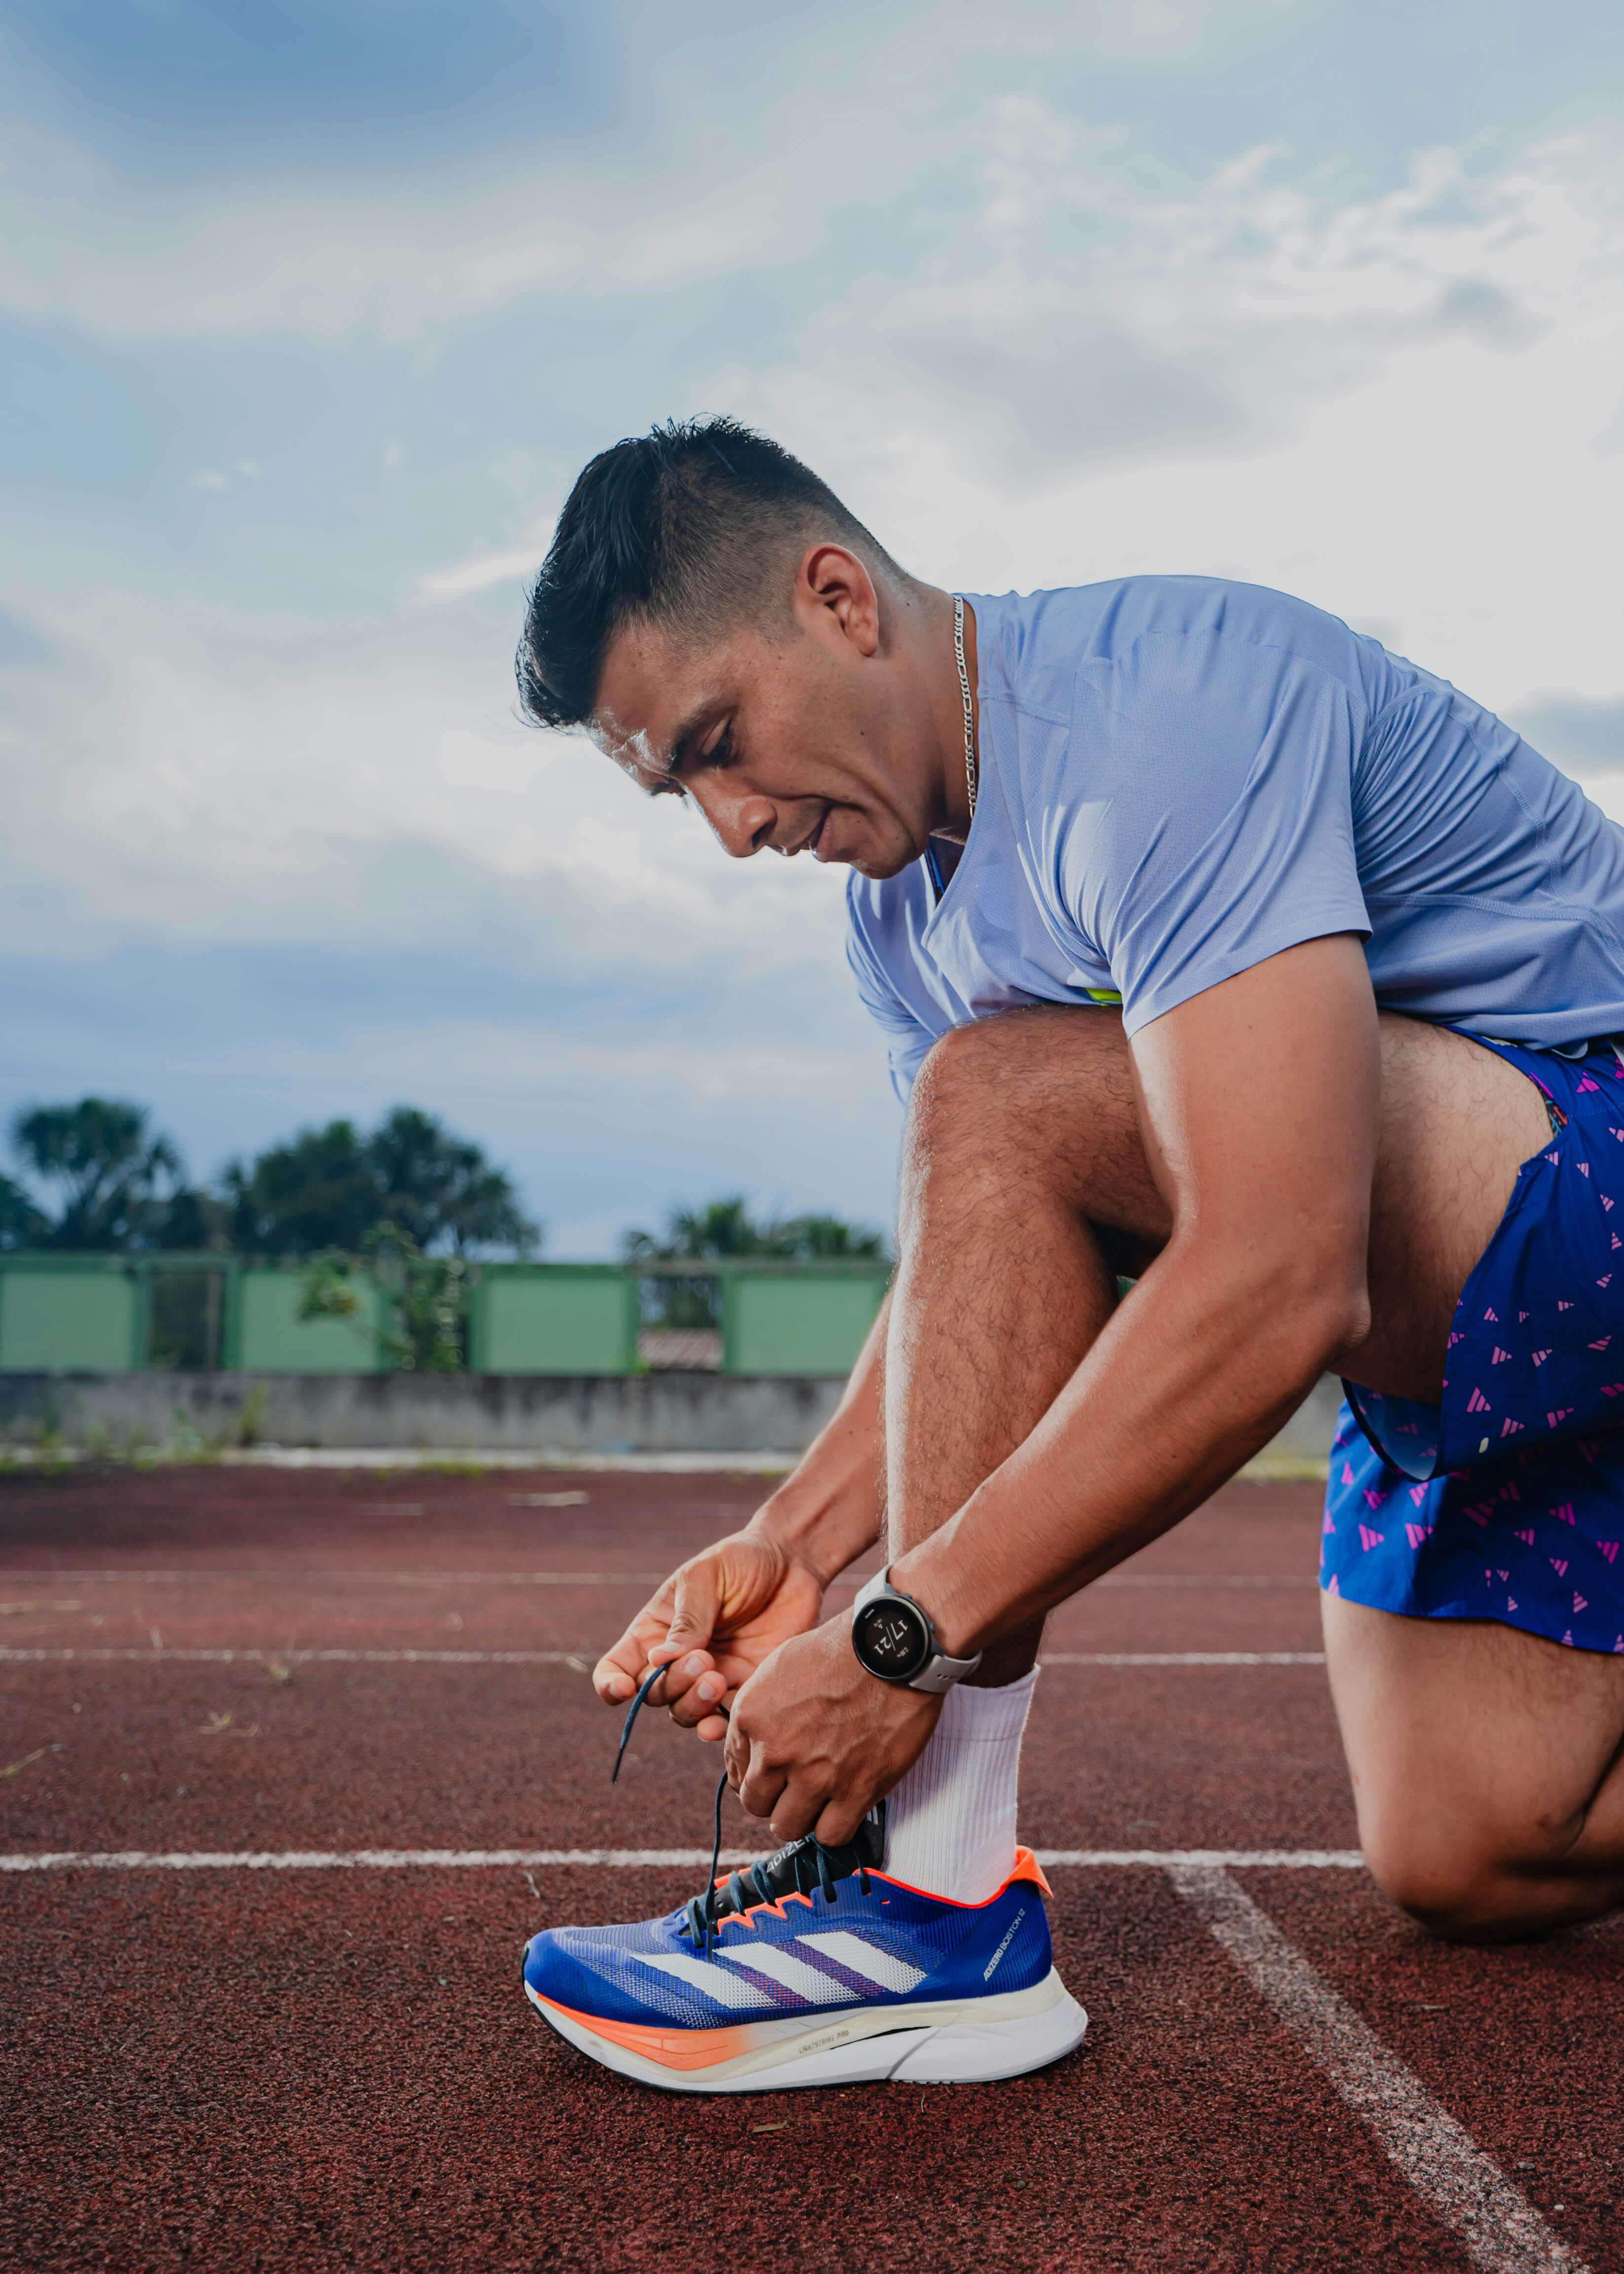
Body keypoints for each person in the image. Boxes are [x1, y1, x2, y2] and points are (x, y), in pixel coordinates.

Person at [512, 416, 1624, 2094]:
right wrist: (794, 1542)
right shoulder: (896, 914)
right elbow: (979, 1255)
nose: (730, 828)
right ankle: (929, 1895)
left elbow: (1278, 1270)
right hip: (1469, 1334)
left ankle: (934, 1895)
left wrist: (899, 1635)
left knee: (1001, 1092)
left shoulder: (1156, 715)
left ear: (837, 599)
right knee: (1475, 1846)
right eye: (685, 791)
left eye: (721, 743)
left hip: (1576, 1163)